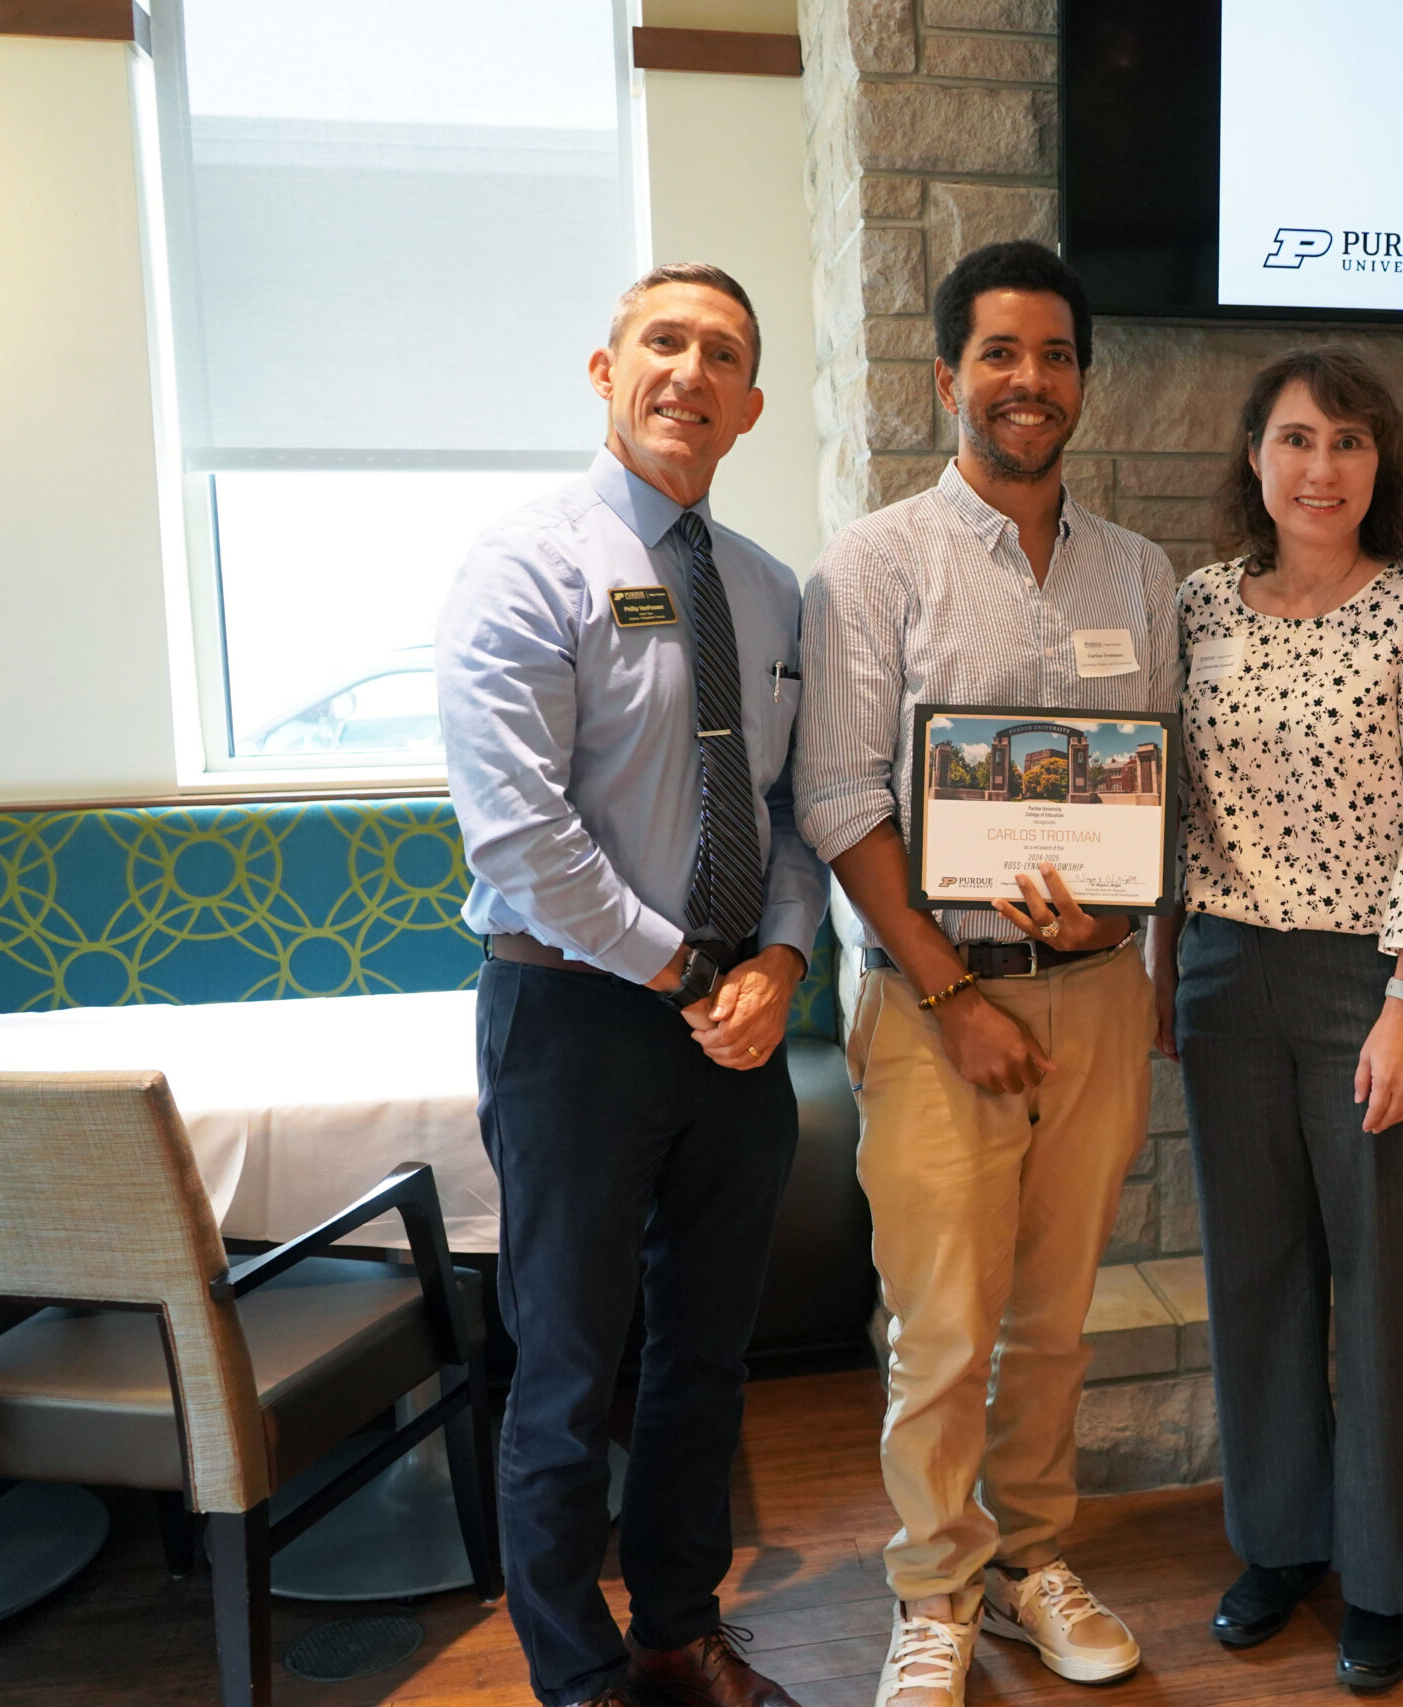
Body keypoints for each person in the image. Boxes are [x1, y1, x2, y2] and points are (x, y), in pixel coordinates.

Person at [794, 240, 1180, 1707]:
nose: (1033, 382)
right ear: (946, 376)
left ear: (1084, 378)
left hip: (1092, 1001)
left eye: (1059, 355)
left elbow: (1152, 795)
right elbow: (837, 795)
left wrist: (1121, 931)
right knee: (944, 1330)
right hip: (934, 1007)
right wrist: (953, 995)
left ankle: (1031, 1566)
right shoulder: (877, 563)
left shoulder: (1138, 574)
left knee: (1058, 1322)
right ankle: (935, 1587)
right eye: (1003, 355)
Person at [437, 263, 826, 1707]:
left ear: (751, 406)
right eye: (663, 342)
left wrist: (780, 961)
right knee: (566, 1368)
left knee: (704, 1364)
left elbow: (786, 814)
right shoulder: (526, 562)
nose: (690, 371)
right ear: (605, 373)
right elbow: (518, 832)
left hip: (736, 1027)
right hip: (578, 1016)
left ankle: (677, 1628)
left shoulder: (774, 591)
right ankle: (576, 1674)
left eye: (722, 353)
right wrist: (678, 969)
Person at [1148, 347, 1403, 1691]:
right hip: (1224, 976)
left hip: (1373, 981)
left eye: (1350, 442)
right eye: (1298, 439)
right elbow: (1171, 803)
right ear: (1254, 454)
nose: (1321, 468)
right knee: (1255, 1278)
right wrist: (1159, 963)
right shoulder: (1197, 609)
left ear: (1381, 465)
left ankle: (1390, 1573)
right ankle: (1282, 1542)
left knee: (1383, 1284)